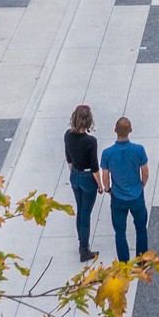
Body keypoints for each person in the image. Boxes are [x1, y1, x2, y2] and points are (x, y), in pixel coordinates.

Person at [98, 117, 151, 263]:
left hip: (118, 198)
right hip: (136, 196)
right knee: (141, 228)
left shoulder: (107, 153)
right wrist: (141, 185)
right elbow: (145, 172)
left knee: (120, 232)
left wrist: (109, 190)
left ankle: (124, 264)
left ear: (115, 130)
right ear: (130, 131)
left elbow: (105, 177)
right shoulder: (138, 150)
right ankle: (142, 260)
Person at [64, 105, 101, 264]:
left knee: (80, 211)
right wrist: (100, 184)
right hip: (87, 178)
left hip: (75, 175)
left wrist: (74, 174)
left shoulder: (67, 135)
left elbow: (69, 159)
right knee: (86, 214)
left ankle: (81, 241)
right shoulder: (91, 141)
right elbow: (94, 166)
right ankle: (84, 249)